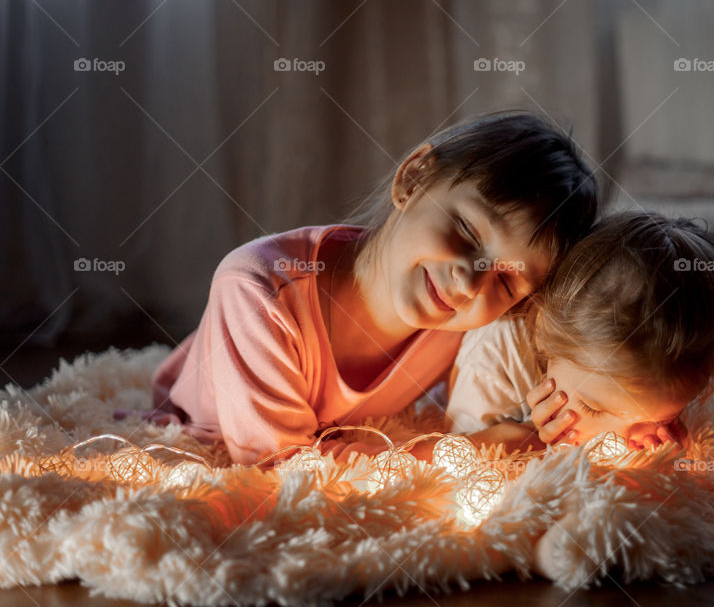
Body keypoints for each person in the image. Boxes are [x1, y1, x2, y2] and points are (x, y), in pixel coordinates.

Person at [128, 111, 598, 465]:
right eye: (469, 233)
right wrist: (468, 450)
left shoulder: (469, 321)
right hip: (207, 437)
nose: (471, 280)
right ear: (413, 178)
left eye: (506, 278)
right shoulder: (259, 290)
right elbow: (281, 471)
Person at [445, 210, 714, 455]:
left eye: (664, 416)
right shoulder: (494, 357)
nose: (616, 438)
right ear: (545, 328)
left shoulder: (671, 370)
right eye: (592, 408)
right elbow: (454, 452)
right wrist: (529, 438)